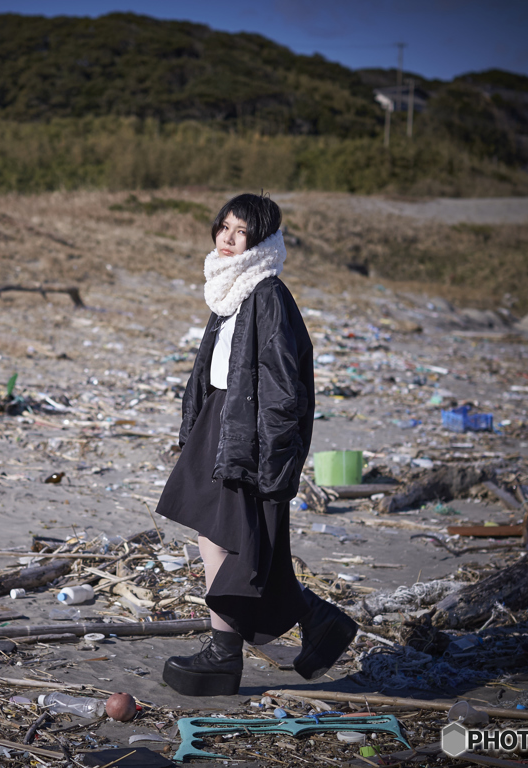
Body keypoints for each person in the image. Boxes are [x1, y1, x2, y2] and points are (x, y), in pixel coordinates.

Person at [155, 193, 357, 697]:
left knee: (236, 542)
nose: (226, 238)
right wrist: (194, 426)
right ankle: (310, 620)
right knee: (216, 534)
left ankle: (226, 655)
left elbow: (285, 388)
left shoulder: (266, 293)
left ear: (260, 241)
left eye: (239, 231)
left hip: (248, 432)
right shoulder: (230, 289)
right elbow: (215, 369)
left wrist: (276, 457)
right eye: (223, 226)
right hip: (220, 421)